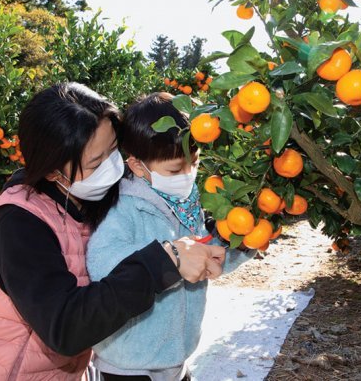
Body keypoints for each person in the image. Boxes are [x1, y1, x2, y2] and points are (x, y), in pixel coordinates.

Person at [0, 83, 225, 381]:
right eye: (96, 162)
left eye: (113, 150)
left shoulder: (94, 196)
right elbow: (65, 326)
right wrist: (163, 264)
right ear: (52, 171)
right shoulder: (19, 224)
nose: (112, 167)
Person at [86, 92, 255, 381]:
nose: (188, 175)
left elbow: (206, 257)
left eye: (195, 162)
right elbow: (101, 262)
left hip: (176, 360)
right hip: (128, 367)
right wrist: (169, 257)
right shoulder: (125, 207)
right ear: (138, 165)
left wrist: (244, 241)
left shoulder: (186, 203)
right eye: (176, 169)